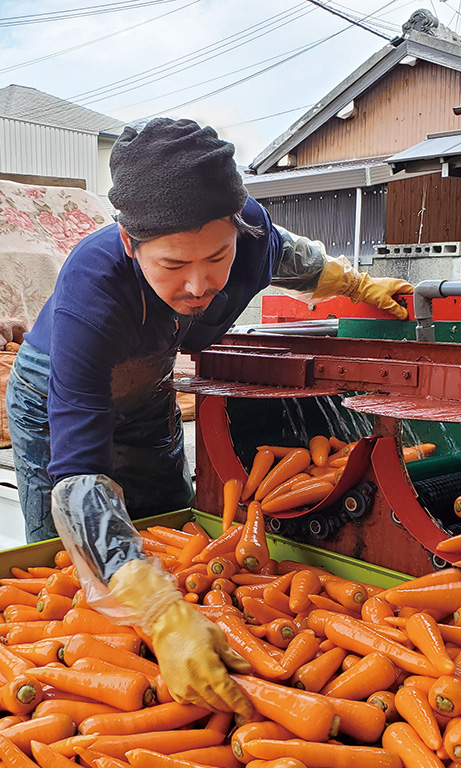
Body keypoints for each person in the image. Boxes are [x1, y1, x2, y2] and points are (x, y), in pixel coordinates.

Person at [6, 118, 413, 714]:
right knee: (66, 561)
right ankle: (80, 677)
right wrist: (160, 614)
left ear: (237, 230)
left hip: (148, 390)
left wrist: (358, 284)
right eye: (173, 264)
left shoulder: (253, 235)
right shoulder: (92, 293)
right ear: (130, 244)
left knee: (171, 525)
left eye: (217, 257)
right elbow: (81, 474)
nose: (198, 285)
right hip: (54, 396)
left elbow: (293, 259)